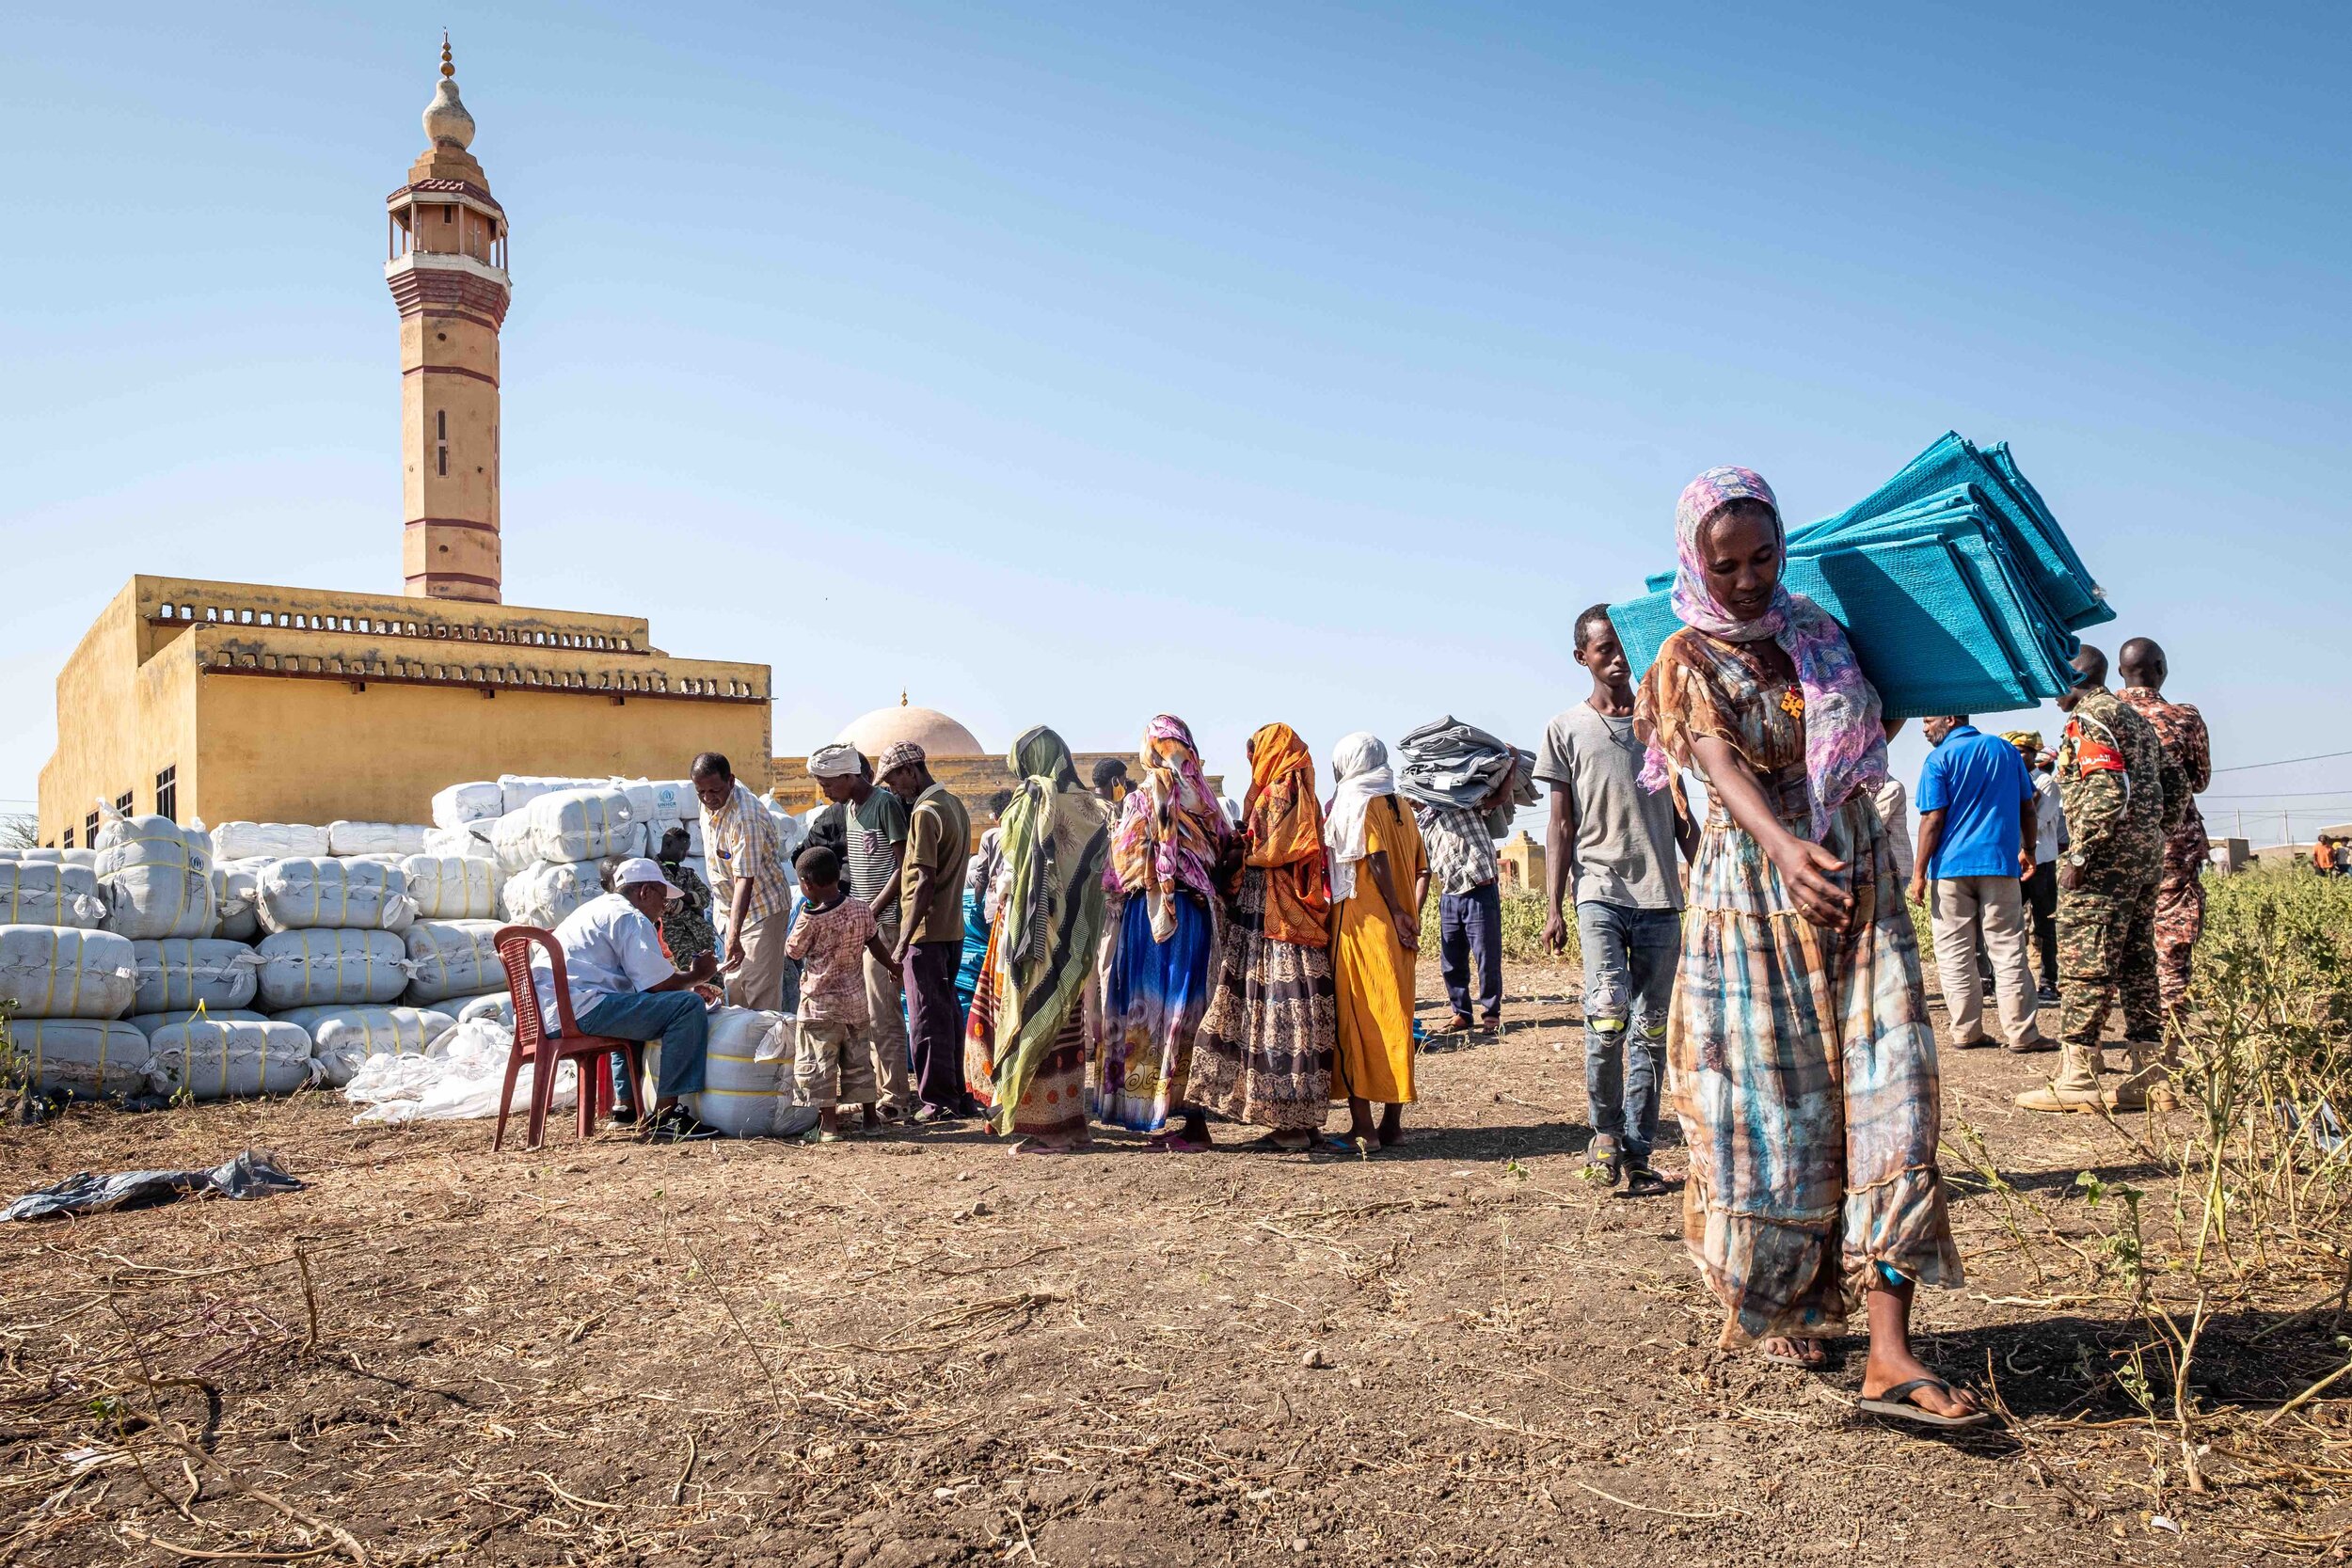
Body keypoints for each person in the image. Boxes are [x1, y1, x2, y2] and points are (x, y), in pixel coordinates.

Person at [1635, 466, 1979, 1426]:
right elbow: (1710, 758)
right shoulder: (1680, 658)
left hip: (1854, 875)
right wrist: (1784, 845)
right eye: (1725, 562)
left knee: (1891, 1094)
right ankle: (1790, 1295)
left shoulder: (1822, 638)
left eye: (1762, 557)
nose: (1747, 579)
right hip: (1752, 897)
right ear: (1693, 561)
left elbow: (1871, 723)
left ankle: (1888, 1351)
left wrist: (1835, 804)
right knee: (1775, 1113)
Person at [1538, 604, 1694, 1198]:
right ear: (1583, 657)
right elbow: (1559, 825)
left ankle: (1639, 1149)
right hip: (1600, 892)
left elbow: (1683, 814)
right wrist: (1554, 905)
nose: (1619, 658)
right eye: (1605, 649)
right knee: (1607, 1018)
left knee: (1651, 1030)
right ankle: (1604, 1132)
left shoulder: (1662, 724)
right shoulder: (1565, 729)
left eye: (1624, 647)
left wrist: (1707, 871)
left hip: (1661, 900)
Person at [2017, 645, 2169, 1113]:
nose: (2050, 693)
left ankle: (2079, 1079)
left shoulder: (2090, 717)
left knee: (2085, 964)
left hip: (2106, 863)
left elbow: (2104, 789)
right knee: (2138, 964)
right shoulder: (2135, 717)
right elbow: (2176, 783)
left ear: (2071, 677)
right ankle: (2148, 1076)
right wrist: (2150, 831)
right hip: (2144, 859)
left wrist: (2079, 855)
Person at [1189, 722, 1338, 1150]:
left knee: (1274, 1008)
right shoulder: (1302, 794)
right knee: (1299, 1008)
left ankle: (1289, 1127)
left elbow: (1274, 850)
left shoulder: (1277, 794)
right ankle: (1302, 1122)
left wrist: (1241, 851)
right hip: (1290, 914)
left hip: (1271, 915)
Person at [965, 727, 1112, 1152]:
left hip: (1030, 930)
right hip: (1073, 934)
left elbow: (1016, 866)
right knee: (1064, 1020)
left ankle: (1046, 1131)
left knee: (1026, 1018)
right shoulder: (1091, 804)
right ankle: (1073, 1125)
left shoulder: (1033, 797)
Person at [1096, 715, 1229, 1150]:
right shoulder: (1206, 799)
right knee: (1187, 1009)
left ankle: (1160, 1113)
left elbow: (1124, 860)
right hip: (1196, 913)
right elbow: (1224, 852)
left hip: (1151, 914)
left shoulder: (1141, 799)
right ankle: (1191, 1119)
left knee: (1152, 1009)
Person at [531, 858, 723, 1144]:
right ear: (644, 892)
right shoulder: (630, 917)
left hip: (557, 1010)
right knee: (686, 1009)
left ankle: (626, 1109)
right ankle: (666, 1117)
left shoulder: (597, 909)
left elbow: (643, 984)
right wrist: (697, 977)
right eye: (662, 898)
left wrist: (688, 985)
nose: (664, 908)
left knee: (636, 1006)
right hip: (581, 1010)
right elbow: (657, 985)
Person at [1909, 716, 2049, 1053]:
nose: (1924, 728)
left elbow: (1932, 819)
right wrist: (2028, 850)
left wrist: (1918, 873)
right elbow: (2027, 806)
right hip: (1999, 865)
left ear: (1951, 718)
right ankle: (2023, 1034)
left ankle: (1967, 1032)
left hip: (1950, 870)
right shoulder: (2004, 750)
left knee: (1954, 952)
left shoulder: (1938, 759)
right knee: (2007, 948)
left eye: (1928, 721)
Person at [1324, 733, 1425, 1150]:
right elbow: (1423, 869)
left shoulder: (1355, 802)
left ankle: (1363, 1128)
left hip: (1362, 926)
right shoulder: (1401, 805)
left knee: (1358, 1021)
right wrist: (1410, 915)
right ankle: (1393, 1127)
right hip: (1401, 933)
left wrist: (1395, 911)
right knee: (1395, 1016)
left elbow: (1374, 855)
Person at [807, 743, 913, 1117]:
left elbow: (903, 869)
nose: (824, 792)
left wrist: (870, 913)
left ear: (849, 776)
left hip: (883, 924)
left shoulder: (884, 804)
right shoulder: (850, 810)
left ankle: (895, 1099)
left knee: (885, 1015)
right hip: (864, 925)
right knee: (867, 1013)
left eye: (828, 783)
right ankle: (882, 1092)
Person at [2118, 638, 2212, 1020]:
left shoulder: (2099, 716)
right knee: (2172, 924)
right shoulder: (2184, 717)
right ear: (2160, 669)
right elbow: (2200, 779)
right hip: (2174, 839)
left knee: (2120, 924)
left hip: (2116, 842)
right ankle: (2171, 1011)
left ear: (2122, 673)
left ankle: (2132, 1017)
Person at [880, 741, 973, 1122]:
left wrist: (903, 939)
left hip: (926, 933)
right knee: (948, 1014)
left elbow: (922, 881)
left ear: (912, 770)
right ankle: (959, 1095)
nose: (892, 788)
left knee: (925, 1019)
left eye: (893, 779)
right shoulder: (954, 805)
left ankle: (937, 1101)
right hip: (951, 930)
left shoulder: (924, 812)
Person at [783, 845, 889, 1142]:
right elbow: (874, 942)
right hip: (855, 1004)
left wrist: (804, 913)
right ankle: (871, 1120)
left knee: (821, 1065)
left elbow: (793, 950)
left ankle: (829, 1126)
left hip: (820, 1007)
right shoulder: (860, 908)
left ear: (807, 884)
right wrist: (893, 965)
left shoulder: (811, 918)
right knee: (859, 1063)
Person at [1409, 768, 1511, 1034]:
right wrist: (1414, 911)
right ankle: (1462, 1013)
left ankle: (1491, 1014)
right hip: (1451, 896)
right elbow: (1424, 872)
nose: (1412, 801)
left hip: (1480, 890)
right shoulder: (1422, 828)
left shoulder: (1462, 803)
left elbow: (1498, 798)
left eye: (1414, 795)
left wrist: (1511, 763)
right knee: (1451, 961)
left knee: (1487, 957)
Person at [692, 752, 791, 1013]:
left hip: (762, 910)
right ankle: (741, 1052)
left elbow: (744, 881)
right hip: (728, 911)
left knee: (759, 994)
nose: (708, 798)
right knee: (734, 988)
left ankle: (765, 1051)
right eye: (701, 791)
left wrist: (734, 937)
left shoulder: (746, 818)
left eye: (714, 790)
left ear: (731, 781)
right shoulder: (706, 802)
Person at [651, 825, 717, 969]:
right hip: (673, 938)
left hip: (699, 935)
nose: (684, 855)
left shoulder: (687, 873)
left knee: (712, 977)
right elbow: (663, 902)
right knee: (686, 976)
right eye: (681, 849)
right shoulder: (652, 872)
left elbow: (705, 896)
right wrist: (692, 904)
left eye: (686, 850)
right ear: (668, 845)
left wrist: (683, 898)